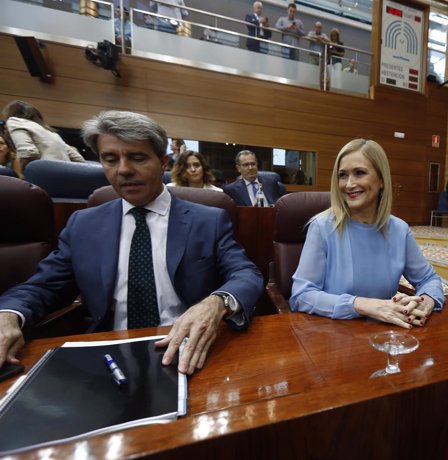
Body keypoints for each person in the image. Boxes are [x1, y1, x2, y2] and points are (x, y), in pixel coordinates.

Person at [0, 110, 263, 375]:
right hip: (108, 355)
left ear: (163, 163)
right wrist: (9, 314)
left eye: (137, 157)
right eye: (110, 159)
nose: (123, 170)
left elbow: (246, 273)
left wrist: (217, 302)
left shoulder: (208, 220)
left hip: (189, 348)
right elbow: (43, 286)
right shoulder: (84, 225)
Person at [290, 139, 445, 328]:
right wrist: (363, 305)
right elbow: (301, 296)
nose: (349, 184)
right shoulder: (322, 227)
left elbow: (429, 279)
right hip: (334, 336)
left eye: (359, 173)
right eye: (342, 175)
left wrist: (426, 301)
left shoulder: (399, 229)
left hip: (385, 336)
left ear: (381, 180)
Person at [2, 100, 85, 176]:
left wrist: (26, 174)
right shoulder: (50, 132)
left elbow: (28, 152)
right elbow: (78, 158)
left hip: (44, 174)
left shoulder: (15, 121)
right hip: (67, 176)